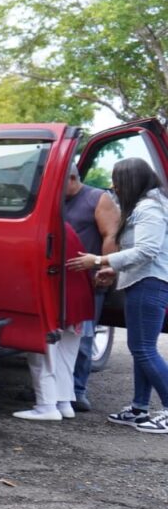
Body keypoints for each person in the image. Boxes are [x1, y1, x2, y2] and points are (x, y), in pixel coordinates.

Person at [67, 157, 168, 434]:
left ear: (132, 182)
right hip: (141, 282)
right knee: (140, 350)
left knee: (144, 349)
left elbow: (147, 251)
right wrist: (112, 269)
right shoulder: (148, 206)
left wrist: (99, 260)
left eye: (119, 183)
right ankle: (139, 408)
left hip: (150, 284)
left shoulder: (150, 209)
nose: (116, 189)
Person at [15, 224, 94, 421]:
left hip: (56, 299)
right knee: (66, 356)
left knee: (42, 355)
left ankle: (46, 405)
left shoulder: (42, 225)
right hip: (78, 299)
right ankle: (64, 402)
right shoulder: (66, 226)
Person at [63, 162, 120, 411]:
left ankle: (77, 390)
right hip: (58, 279)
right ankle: (53, 388)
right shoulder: (54, 198)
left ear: (73, 178)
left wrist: (102, 269)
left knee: (83, 338)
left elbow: (111, 235)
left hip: (88, 280)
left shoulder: (98, 198)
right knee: (55, 337)